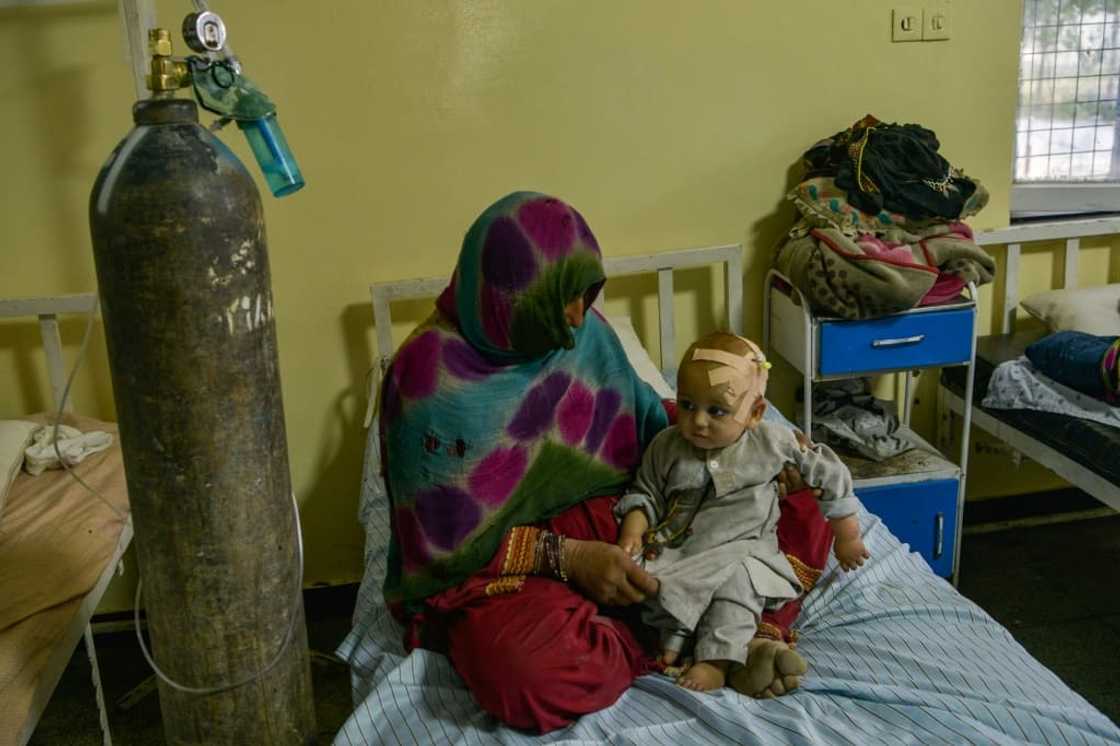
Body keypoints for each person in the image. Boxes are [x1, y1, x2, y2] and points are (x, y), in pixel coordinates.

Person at [378, 191, 838, 734]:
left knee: (791, 485)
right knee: (524, 675)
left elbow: (646, 419)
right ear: (507, 295)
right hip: (513, 564)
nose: (576, 318)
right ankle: (683, 635)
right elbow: (442, 550)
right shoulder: (429, 384)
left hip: (629, 512)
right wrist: (571, 559)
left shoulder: (584, 333)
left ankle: (726, 628)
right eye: (559, 299)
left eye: (586, 294)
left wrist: (747, 446)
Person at [616, 332, 869, 693]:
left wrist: (848, 536)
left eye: (717, 410)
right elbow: (646, 492)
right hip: (686, 550)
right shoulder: (667, 446)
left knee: (737, 591)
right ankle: (678, 644)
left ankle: (716, 661)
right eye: (687, 405)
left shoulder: (772, 442)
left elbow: (829, 473)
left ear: (755, 413)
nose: (698, 421)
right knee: (655, 589)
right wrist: (633, 528)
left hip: (747, 551)